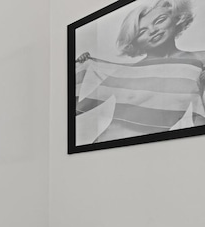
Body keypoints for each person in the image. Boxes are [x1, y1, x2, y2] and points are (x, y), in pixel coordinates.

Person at [74, 0, 205, 145]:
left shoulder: (200, 60)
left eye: (160, 21)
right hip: (106, 147)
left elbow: (198, 115)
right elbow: (77, 110)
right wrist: (75, 70)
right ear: (134, 40)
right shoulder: (124, 73)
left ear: (176, 18)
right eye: (142, 31)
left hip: (150, 152)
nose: (153, 31)